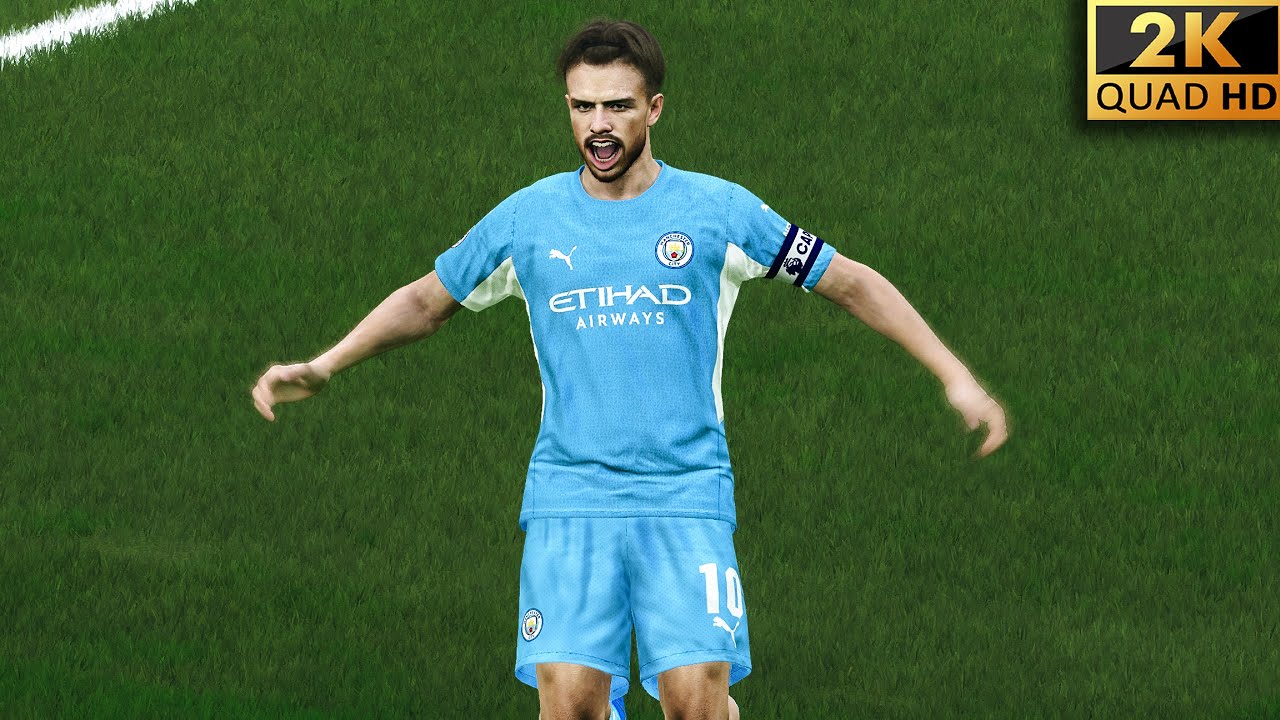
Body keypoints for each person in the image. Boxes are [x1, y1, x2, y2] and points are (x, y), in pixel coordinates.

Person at [251, 18, 1009, 720]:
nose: (598, 125)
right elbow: (426, 300)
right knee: (571, 707)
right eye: (582, 107)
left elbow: (850, 282)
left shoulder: (718, 211)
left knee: (695, 705)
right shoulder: (528, 218)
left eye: (616, 106)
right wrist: (326, 364)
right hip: (571, 495)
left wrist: (956, 376)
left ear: (654, 109)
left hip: (685, 494)